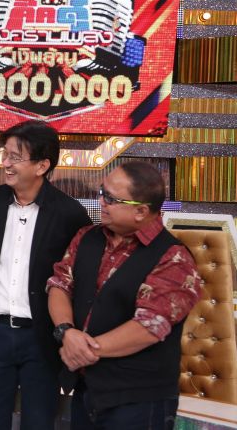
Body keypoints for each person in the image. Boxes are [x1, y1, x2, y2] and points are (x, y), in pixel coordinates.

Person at [47, 161, 202, 429]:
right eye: (102, 192)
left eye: (111, 198)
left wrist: (83, 350)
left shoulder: (174, 258)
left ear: (141, 211)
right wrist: (66, 332)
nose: (101, 202)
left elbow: (149, 325)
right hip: (87, 390)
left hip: (139, 400)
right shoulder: (87, 236)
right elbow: (60, 285)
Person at [0, 119, 91, 430]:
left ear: (42, 165)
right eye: (5, 154)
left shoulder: (70, 213)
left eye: (15, 157)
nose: (5, 163)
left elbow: (75, 278)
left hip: (41, 338)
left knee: (39, 422)